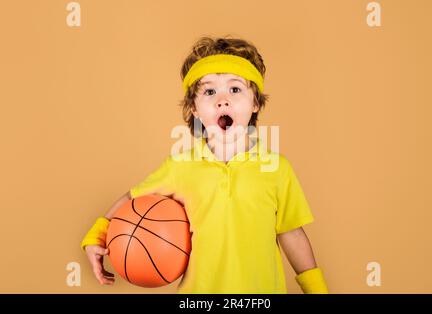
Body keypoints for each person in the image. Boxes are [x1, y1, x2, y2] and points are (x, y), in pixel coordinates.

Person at [81, 36, 329, 294]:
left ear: (255, 103)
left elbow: (291, 234)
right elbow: (131, 198)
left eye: (235, 89)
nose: (222, 100)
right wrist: (95, 236)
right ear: (194, 109)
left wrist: (317, 290)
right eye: (209, 91)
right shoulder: (180, 166)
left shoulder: (276, 168)